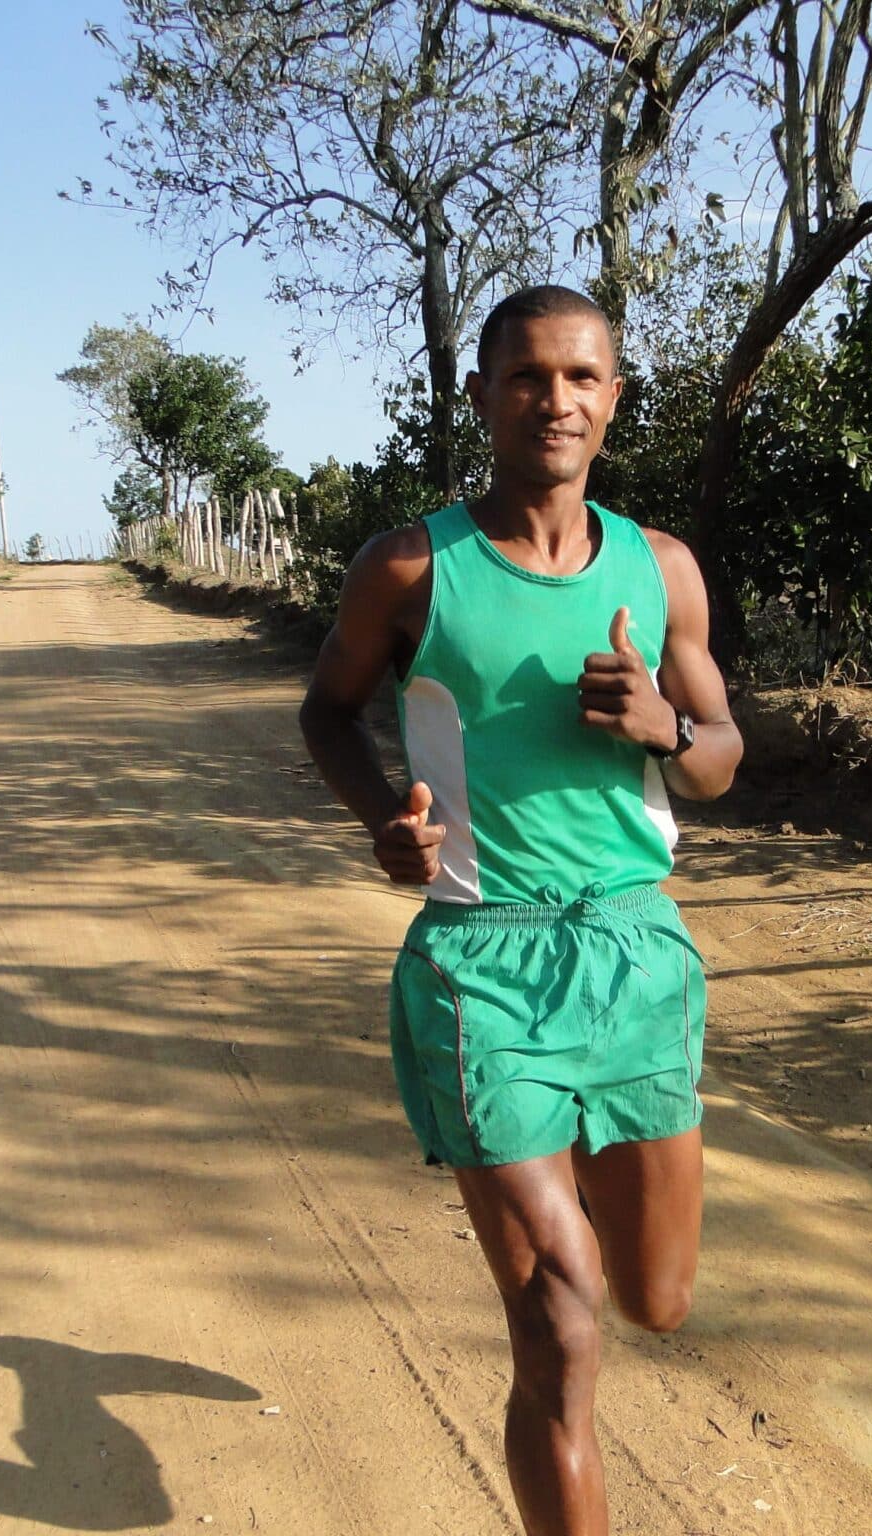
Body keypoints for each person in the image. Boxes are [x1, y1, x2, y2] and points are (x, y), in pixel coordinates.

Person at [299, 284, 742, 1536]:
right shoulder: (406, 565)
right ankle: (538, 1205)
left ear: (614, 396)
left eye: (581, 377)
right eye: (527, 377)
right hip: (479, 963)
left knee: (653, 1299)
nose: (556, 400)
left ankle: (570, 1179)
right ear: (484, 394)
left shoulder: (660, 570)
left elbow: (719, 756)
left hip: (635, 953)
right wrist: (383, 817)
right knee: (558, 1315)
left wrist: (668, 727)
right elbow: (326, 711)